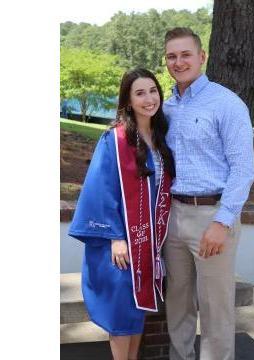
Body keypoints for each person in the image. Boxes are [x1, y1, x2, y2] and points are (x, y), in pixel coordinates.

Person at [162, 27, 254, 360]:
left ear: (202, 56)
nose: (179, 61)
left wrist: (222, 221)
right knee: (178, 302)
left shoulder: (226, 103)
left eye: (186, 54)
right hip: (174, 216)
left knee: (216, 310)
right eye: (172, 56)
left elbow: (244, 169)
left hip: (212, 216)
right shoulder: (167, 106)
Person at [68, 68, 175, 360]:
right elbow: (100, 190)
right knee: (120, 311)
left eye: (153, 91)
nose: (149, 98)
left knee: (137, 310)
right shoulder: (114, 140)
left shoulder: (161, 138)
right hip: (119, 243)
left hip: (148, 243)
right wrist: (115, 237)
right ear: (128, 101)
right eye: (140, 93)